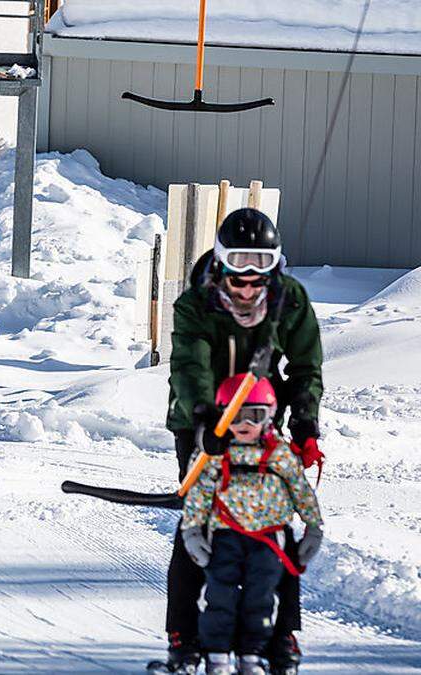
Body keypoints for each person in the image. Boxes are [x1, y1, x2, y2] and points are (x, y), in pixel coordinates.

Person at [159, 208, 324, 675]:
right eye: (238, 277)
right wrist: (204, 418)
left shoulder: (288, 300)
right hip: (202, 420)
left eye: (258, 277)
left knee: (273, 524)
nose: (248, 288)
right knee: (200, 519)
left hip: (260, 419)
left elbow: (306, 366)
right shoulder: (196, 303)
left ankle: (281, 636)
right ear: (222, 265)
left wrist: (305, 421)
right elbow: (190, 365)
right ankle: (184, 637)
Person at [181, 374, 323, 675]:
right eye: (236, 415)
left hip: (268, 541)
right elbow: (200, 493)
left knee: (260, 599)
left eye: (253, 415)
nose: (244, 423)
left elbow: (300, 490)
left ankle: (252, 655)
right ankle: (217, 656)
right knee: (220, 595)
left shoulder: (279, 454)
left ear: (268, 416)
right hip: (226, 537)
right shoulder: (215, 454)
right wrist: (193, 531)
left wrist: (313, 526)